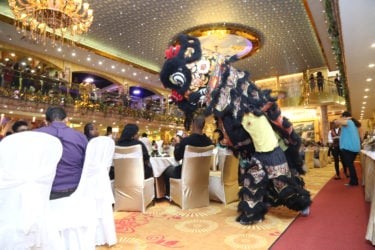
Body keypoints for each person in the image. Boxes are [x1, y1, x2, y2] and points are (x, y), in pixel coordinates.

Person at [35, 106, 88, 199]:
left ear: (46, 121)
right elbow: (87, 165)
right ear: (66, 119)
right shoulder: (80, 137)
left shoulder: (34, 135)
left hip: (42, 190)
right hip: (75, 189)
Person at [163, 115, 213, 197]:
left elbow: (177, 157)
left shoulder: (186, 141)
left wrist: (178, 144)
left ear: (193, 124)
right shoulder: (209, 142)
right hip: (202, 173)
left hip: (187, 173)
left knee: (167, 170)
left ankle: (170, 195)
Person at [334, 111, 361, 186]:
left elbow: (336, 121)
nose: (341, 118)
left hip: (349, 148)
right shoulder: (352, 124)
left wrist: (346, 118)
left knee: (350, 165)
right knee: (350, 164)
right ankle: (354, 181)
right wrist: (338, 137)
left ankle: (354, 182)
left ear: (345, 117)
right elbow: (348, 135)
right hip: (353, 148)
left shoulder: (348, 122)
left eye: (342, 116)